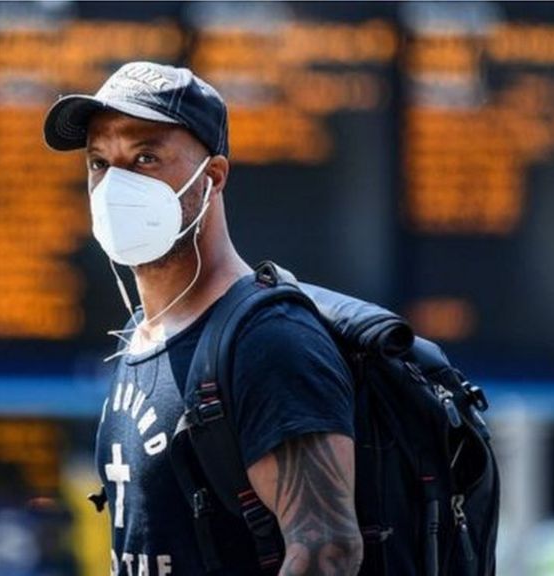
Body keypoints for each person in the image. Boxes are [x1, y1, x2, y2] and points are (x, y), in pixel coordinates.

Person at [44, 61, 363, 576]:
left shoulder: (268, 341)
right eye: (99, 162)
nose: (114, 186)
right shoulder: (139, 338)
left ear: (212, 177)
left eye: (145, 157)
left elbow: (328, 550)